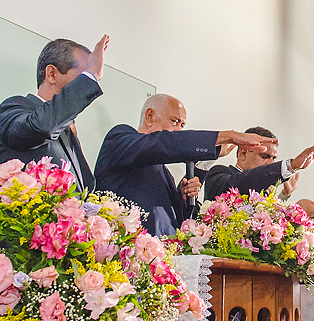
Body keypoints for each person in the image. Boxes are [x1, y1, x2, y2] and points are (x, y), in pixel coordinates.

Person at [93, 94, 274, 235]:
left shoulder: (164, 171)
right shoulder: (120, 138)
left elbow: (175, 218)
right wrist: (227, 136)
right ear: (150, 116)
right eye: (175, 121)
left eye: (183, 124)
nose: (179, 130)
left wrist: (182, 195)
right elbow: (163, 143)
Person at [0, 34, 111, 190]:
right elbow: (41, 126)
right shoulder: (15, 107)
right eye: (81, 77)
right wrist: (91, 75)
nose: (84, 85)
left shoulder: (66, 131)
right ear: (52, 74)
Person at [201, 124, 314, 201]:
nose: (271, 163)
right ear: (243, 153)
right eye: (265, 156)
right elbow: (243, 183)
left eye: (273, 158)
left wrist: (285, 194)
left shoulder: (265, 191)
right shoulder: (219, 174)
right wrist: (290, 166)